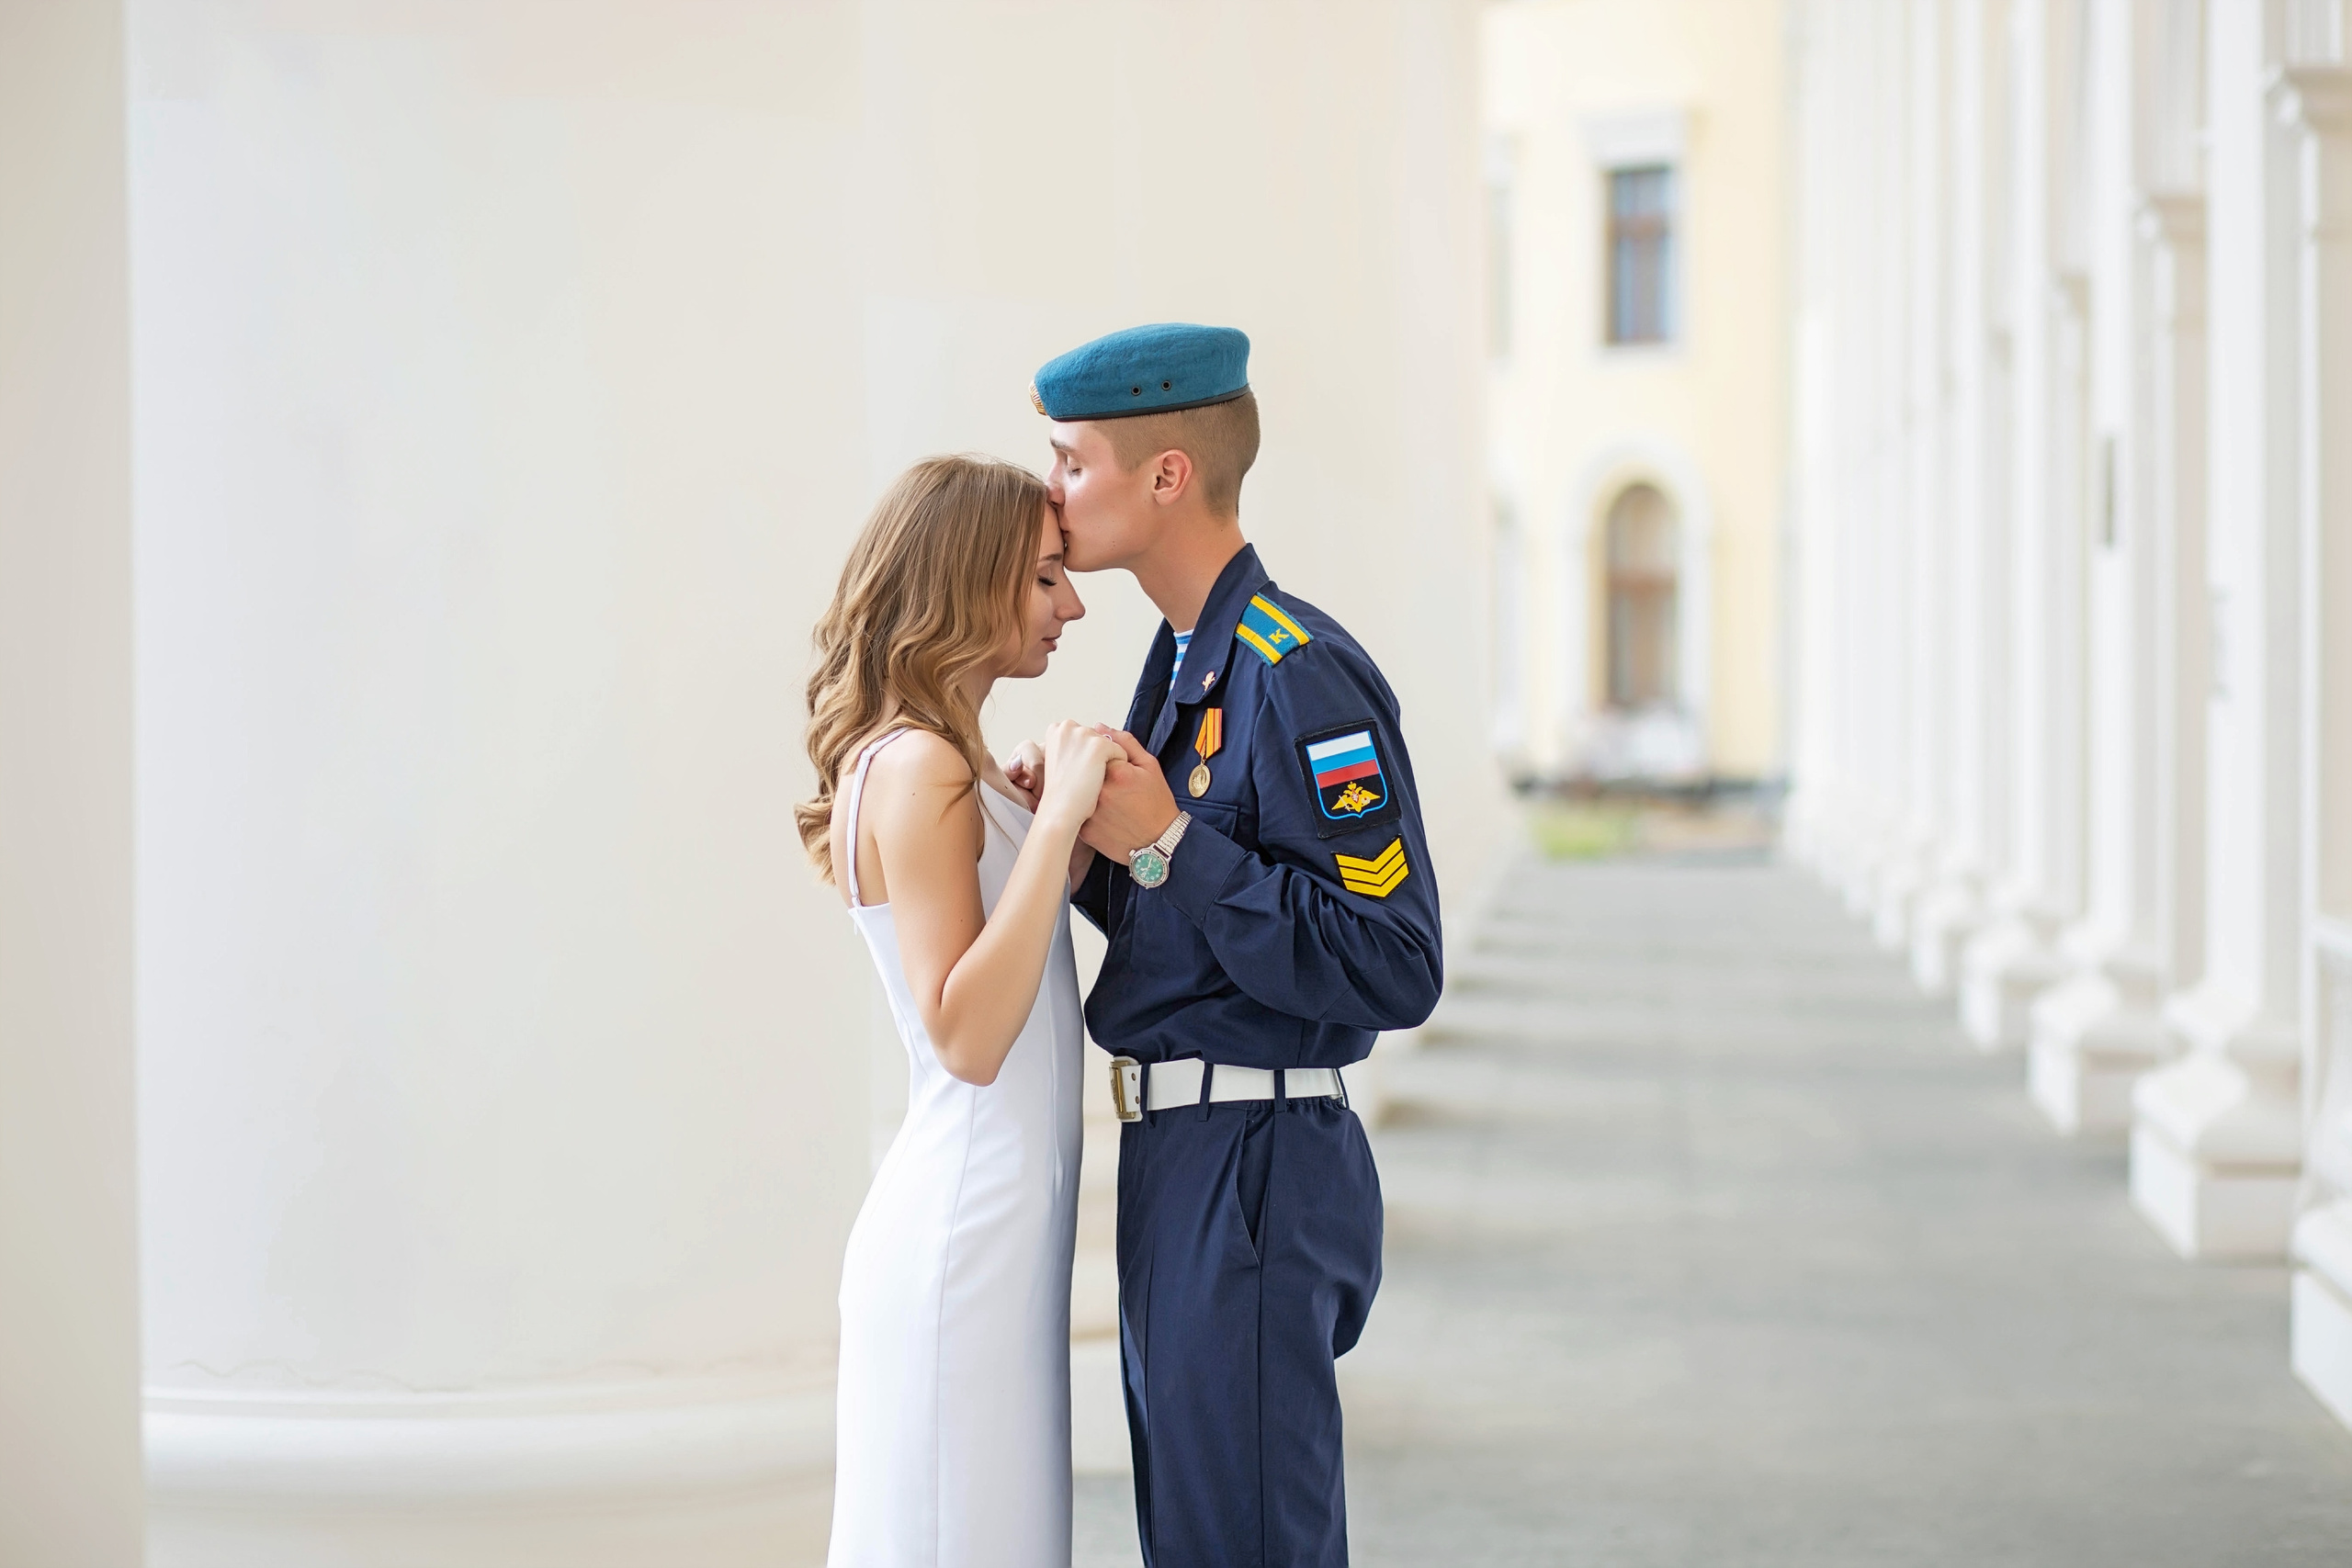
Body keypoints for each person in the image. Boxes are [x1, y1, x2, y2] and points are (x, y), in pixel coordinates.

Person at [1013, 323, 1445, 1567]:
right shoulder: (1182, 659)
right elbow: (1192, 931)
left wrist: (1169, 842)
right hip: (1187, 1156)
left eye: (1070, 461)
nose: (1051, 493)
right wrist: (1092, 849)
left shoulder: (1295, 671)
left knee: (1247, 1545)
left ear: (1166, 476)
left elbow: (1392, 959)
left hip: (1256, 1161)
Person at [798, 454, 1123, 1568]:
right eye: (1044, 580)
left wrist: (1051, 838)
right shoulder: (921, 767)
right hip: (964, 1235)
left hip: (993, 1228)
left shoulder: (942, 760)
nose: (1070, 604)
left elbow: (1001, 963)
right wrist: (1054, 821)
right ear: (969, 583)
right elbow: (967, 1036)